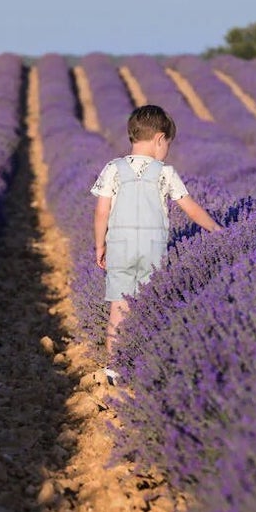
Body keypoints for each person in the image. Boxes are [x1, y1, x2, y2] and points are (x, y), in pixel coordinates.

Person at [91, 104, 221, 383]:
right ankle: (145, 362)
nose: (167, 151)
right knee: (148, 304)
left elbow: (101, 212)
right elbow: (190, 208)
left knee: (119, 307)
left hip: (121, 246)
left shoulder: (113, 168)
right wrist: (216, 229)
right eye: (167, 145)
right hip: (152, 247)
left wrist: (100, 245)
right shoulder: (165, 172)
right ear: (159, 139)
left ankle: (114, 367)